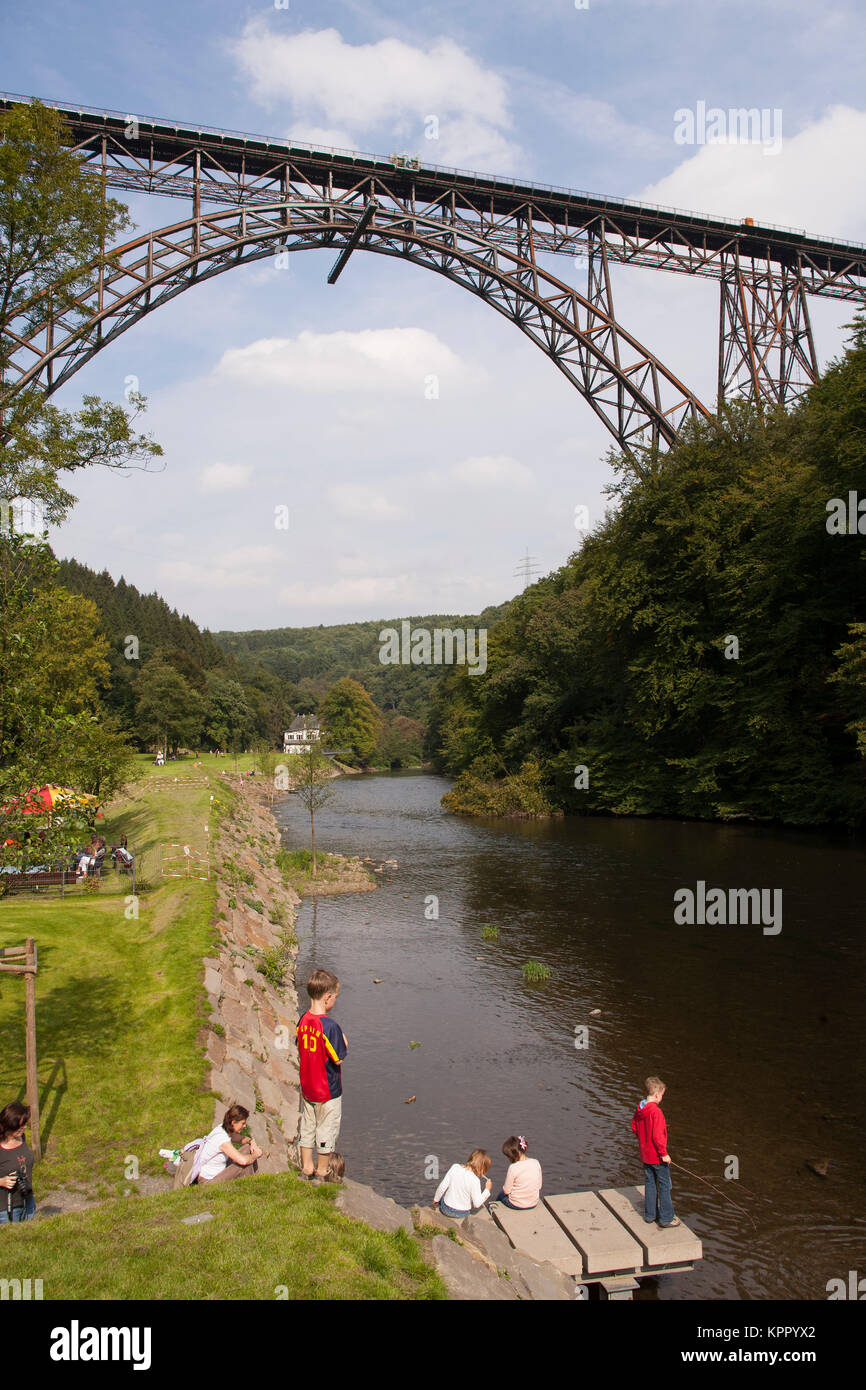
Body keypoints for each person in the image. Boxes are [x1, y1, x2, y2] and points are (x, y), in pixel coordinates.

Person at [296, 968, 348, 1181]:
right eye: (334, 997)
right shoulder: (329, 1026)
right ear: (327, 998)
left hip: (307, 1087)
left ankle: (306, 1167)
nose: (334, 1000)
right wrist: (344, 1042)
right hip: (328, 1089)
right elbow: (338, 1058)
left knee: (308, 1128)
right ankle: (321, 1171)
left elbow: (300, 1045)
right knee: (326, 1129)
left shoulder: (303, 1020)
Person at [632, 1074, 680, 1227]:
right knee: (665, 1185)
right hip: (657, 1157)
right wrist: (664, 1154)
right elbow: (658, 1136)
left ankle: (650, 1215)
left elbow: (634, 1125)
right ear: (657, 1094)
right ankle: (666, 1218)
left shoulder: (641, 1108)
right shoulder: (656, 1112)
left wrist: (643, 1140)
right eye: (661, 1096)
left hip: (645, 1155)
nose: (661, 1100)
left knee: (650, 1183)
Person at [194, 1104, 263, 1184]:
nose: (245, 1126)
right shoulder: (222, 1140)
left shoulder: (222, 1129)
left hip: (218, 1172)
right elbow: (243, 1161)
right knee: (244, 1163)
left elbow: (241, 1139)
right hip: (208, 1181)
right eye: (243, 1123)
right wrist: (256, 1155)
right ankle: (252, 1183)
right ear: (233, 1122)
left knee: (248, 1149)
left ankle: (254, 1180)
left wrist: (252, 1142)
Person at [0, 1101, 36, 1224]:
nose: (24, 1127)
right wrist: (2, 1181)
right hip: (6, 1209)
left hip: (28, 1201)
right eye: (21, 1125)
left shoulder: (22, 1138)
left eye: (25, 1123)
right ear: (10, 1124)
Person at [433, 1149, 492, 1218]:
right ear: (481, 1169)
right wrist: (487, 1189)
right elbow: (477, 1204)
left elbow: (442, 1187)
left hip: (446, 1209)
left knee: (443, 1196)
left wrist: (435, 1200)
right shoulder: (475, 1180)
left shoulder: (455, 1167)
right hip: (462, 1213)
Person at [495, 1134, 542, 1209]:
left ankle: (493, 1210)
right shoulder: (536, 1162)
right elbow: (539, 1186)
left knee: (501, 1195)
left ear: (516, 1154)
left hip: (516, 1204)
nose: (508, 1159)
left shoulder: (513, 1167)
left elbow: (507, 1191)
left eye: (509, 1156)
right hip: (533, 1203)